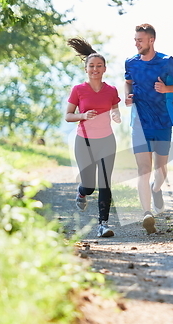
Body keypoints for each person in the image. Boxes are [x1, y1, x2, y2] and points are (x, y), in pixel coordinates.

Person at [124, 23, 173, 235]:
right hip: (139, 123)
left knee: (160, 170)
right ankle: (147, 213)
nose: (136, 43)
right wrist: (128, 96)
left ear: (151, 40)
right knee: (143, 170)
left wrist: (167, 88)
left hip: (163, 122)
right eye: (135, 39)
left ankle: (156, 189)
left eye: (140, 40)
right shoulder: (130, 62)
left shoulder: (166, 61)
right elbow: (128, 81)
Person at [66, 37, 121, 238]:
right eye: (91, 66)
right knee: (89, 186)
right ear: (86, 69)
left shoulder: (111, 90)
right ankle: (81, 192)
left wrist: (116, 115)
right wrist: (82, 115)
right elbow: (68, 116)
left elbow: (115, 110)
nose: (95, 69)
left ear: (104, 69)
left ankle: (103, 225)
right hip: (85, 141)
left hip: (107, 140)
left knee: (105, 182)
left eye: (99, 66)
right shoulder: (78, 90)